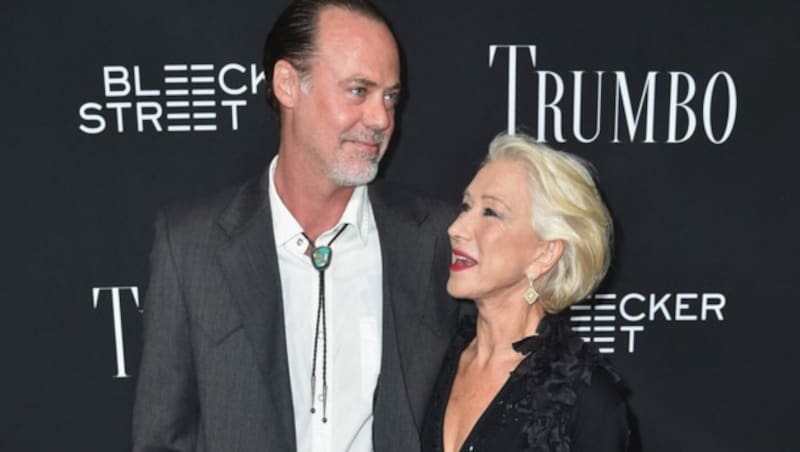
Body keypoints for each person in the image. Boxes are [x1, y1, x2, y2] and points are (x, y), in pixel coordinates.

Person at [132, 1, 459, 451]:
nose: (382, 119)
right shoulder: (191, 244)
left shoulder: (437, 239)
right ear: (288, 84)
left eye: (390, 97)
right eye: (358, 91)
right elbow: (162, 439)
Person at [421, 132, 629, 452]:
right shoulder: (427, 361)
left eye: (491, 212)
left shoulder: (584, 398)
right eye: (466, 206)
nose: (456, 228)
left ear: (544, 254)